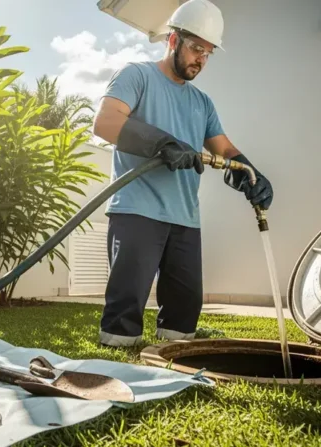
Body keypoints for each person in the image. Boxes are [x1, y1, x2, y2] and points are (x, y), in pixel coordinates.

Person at [91, 0, 274, 347]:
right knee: (125, 308)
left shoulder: (202, 102)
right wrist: (161, 142)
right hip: (137, 209)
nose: (201, 60)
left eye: (208, 53)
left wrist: (251, 173)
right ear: (173, 40)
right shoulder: (137, 75)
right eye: (195, 48)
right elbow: (105, 122)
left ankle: (174, 352)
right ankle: (118, 347)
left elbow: (224, 149)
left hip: (185, 217)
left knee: (184, 316)